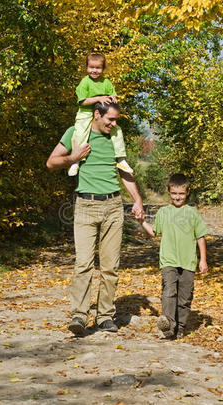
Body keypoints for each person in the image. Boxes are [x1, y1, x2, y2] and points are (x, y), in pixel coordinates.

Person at [46, 101, 144, 336]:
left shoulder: (115, 137)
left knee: (111, 266)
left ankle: (105, 317)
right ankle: (79, 315)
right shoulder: (77, 132)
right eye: (110, 119)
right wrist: (73, 157)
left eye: (116, 120)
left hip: (112, 205)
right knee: (83, 264)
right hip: (86, 204)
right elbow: (51, 162)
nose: (114, 123)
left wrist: (137, 200)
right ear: (97, 114)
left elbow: (124, 170)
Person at [137, 174, 208, 339]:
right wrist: (141, 222)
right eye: (174, 193)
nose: (178, 197)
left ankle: (181, 327)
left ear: (187, 192)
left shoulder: (192, 213)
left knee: (185, 297)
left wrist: (202, 259)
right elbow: (153, 233)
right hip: (168, 260)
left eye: (181, 194)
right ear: (169, 192)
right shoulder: (164, 212)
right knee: (168, 291)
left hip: (188, 261)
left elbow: (201, 237)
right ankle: (169, 325)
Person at [67, 53, 133, 177]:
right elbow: (82, 101)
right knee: (80, 132)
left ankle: (121, 159)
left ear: (103, 68)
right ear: (87, 67)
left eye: (98, 68)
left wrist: (113, 97)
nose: (94, 71)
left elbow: (112, 95)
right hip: (86, 112)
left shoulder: (106, 82)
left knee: (117, 130)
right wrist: (98, 99)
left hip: (103, 114)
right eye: (91, 67)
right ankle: (76, 161)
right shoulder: (84, 82)